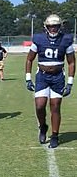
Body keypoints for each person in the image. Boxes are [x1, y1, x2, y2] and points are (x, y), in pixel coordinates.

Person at [25, 14, 75, 148]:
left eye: (56, 26)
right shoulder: (39, 39)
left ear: (60, 26)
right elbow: (30, 59)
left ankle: (55, 135)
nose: (53, 29)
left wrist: (70, 82)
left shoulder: (66, 39)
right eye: (51, 26)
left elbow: (71, 62)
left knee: (55, 106)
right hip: (42, 76)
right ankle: (42, 126)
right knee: (40, 105)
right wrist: (28, 78)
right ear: (46, 27)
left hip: (58, 77)